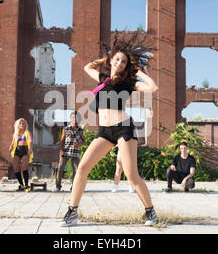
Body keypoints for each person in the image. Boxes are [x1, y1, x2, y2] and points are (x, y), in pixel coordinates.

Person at [60, 33, 159, 227]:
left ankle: (150, 212)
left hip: (123, 129)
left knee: (131, 175)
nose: (120, 63)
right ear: (111, 60)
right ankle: (72, 212)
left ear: (126, 65)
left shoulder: (129, 82)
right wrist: (105, 59)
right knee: (82, 168)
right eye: (117, 59)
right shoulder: (103, 78)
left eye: (124, 61)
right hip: (105, 131)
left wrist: (138, 71)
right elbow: (87, 66)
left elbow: (153, 88)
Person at [53, 111, 85, 192]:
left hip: (75, 151)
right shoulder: (66, 129)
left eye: (76, 117)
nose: (74, 119)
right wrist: (60, 150)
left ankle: (74, 187)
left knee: (76, 170)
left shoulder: (80, 130)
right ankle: (58, 186)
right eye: (73, 117)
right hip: (66, 151)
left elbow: (84, 141)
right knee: (60, 168)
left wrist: (79, 143)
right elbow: (62, 141)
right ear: (70, 119)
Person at [9, 118, 33, 192]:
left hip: (25, 150)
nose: (22, 125)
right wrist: (10, 148)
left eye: (23, 123)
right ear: (18, 125)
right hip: (17, 150)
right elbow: (13, 143)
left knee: (24, 167)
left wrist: (30, 149)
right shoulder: (16, 133)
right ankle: (21, 185)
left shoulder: (27, 132)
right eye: (20, 123)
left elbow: (30, 141)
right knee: (15, 167)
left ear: (25, 125)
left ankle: (26, 185)